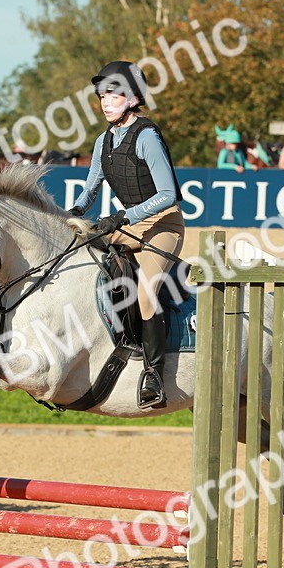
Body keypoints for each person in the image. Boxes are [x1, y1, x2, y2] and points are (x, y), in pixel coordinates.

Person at [68, 61, 184, 410]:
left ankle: (154, 375)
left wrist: (122, 217)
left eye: (113, 95)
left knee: (146, 292)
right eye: (102, 96)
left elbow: (168, 194)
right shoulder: (103, 141)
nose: (105, 102)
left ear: (132, 98)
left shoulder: (147, 137)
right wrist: (73, 213)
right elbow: (91, 187)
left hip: (163, 226)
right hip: (128, 226)